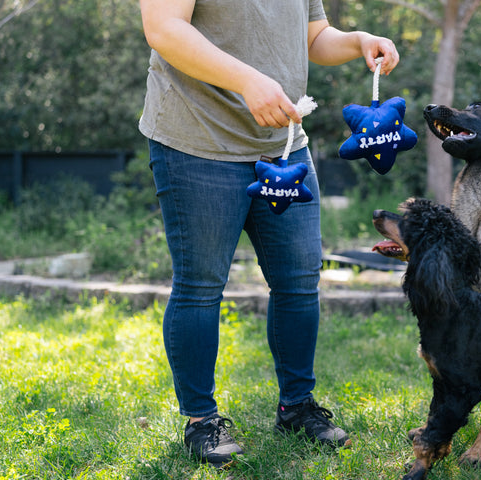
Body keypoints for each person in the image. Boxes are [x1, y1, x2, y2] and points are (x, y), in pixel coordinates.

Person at [138, 0, 400, 468]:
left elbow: (312, 37)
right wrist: (247, 79)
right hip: (196, 142)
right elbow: (163, 29)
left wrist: (359, 41)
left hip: (284, 147)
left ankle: (296, 407)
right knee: (200, 286)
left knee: (300, 281)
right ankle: (201, 420)